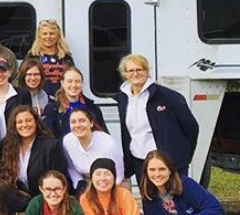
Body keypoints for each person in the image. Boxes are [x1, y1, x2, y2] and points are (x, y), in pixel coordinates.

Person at [114, 54, 199, 182]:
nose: (135, 74)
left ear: (147, 71)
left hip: (167, 161)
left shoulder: (167, 96)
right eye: (131, 70)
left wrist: (183, 156)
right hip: (140, 161)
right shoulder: (122, 99)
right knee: (149, 199)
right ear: (125, 74)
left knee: (175, 199)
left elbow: (191, 127)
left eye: (139, 69)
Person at [0, 106, 66, 196]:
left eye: (28, 120)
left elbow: (58, 178)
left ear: (36, 123)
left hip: (44, 199)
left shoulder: (51, 146)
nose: (25, 125)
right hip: (15, 201)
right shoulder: (6, 145)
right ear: (14, 126)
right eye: (20, 122)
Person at [62, 107, 124, 195]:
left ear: (91, 123)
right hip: (87, 181)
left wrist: (109, 192)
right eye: (73, 122)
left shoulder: (108, 142)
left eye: (82, 121)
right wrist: (80, 187)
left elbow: (119, 174)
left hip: (111, 181)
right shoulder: (67, 141)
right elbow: (71, 168)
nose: (78, 125)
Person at [43, 67, 107, 138]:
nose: (73, 85)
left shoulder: (93, 109)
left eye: (77, 81)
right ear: (62, 83)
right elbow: (48, 139)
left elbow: (104, 137)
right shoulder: (52, 109)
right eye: (69, 81)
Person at [26, 19, 74, 95]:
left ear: (58, 36)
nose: (48, 37)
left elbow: (73, 78)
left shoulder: (66, 57)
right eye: (45, 34)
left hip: (62, 99)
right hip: (38, 99)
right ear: (39, 36)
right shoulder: (32, 56)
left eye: (52, 34)